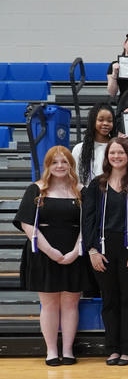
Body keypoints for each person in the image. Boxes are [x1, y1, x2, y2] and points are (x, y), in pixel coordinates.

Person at [14, 146, 87, 366]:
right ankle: (51, 351)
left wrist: (76, 251)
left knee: (70, 303)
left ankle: (68, 351)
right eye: (55, 162)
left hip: (74, 252)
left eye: (64, 162)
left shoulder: (81, 190)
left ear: (71, 165)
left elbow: (88, 224)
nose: (60, 166)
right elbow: (27, 224)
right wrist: (51, 252)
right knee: (49, 304)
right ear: (48, 165)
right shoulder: (36, 189)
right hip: (43, 252)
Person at [83, 137, 128, 366]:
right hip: (102, 249)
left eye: (121, 153)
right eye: (112, 153)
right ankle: (112, 349)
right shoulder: (97, 184)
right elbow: (88, 219)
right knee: (109, 300)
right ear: (107, 157)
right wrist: (91, 249)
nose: (116, 157)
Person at [73, 102, 117, 185]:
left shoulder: (116, 148)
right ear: (93, 121)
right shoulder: (79, 149)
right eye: (100, 120)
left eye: (110, 121)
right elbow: (75, 177)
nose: (105, 123)